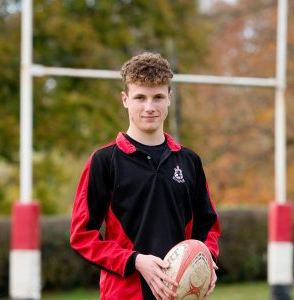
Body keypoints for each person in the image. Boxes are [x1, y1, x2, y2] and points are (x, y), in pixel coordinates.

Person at [70, 52, 220, 300]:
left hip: (181, 293)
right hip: (125, 293)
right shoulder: (105, 161)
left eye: (158, 97)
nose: (150, 107)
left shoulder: (189, 160)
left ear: (169, 98)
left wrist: (207, 259)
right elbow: (82, 236)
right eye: (140, 97)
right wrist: (135, 260)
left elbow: (208, 224)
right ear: (125, 99)